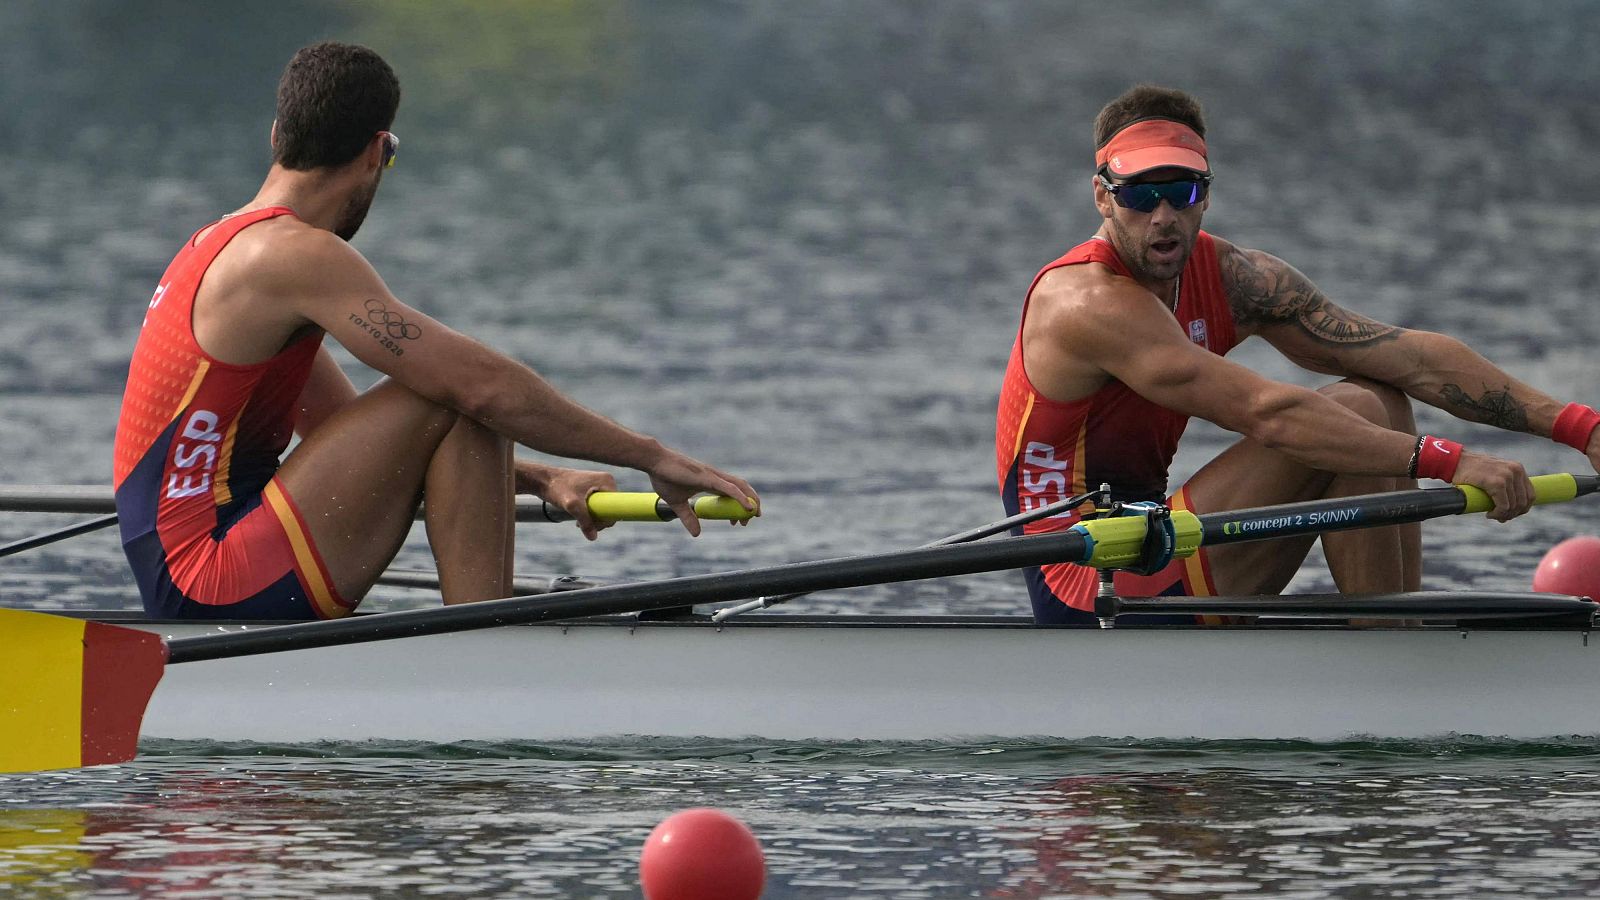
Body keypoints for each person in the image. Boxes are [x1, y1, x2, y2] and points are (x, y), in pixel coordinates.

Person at [112, 42, 758, 620]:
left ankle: (477, 646)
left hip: (190, 568)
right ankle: (484, 658)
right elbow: (475, 390)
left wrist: (543, 480)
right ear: (376, 151)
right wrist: (653, 457)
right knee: (456, 391)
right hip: (213, 579)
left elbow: (351, 434)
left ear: (278, 133)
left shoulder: (219, 247)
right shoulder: (295, 255)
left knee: (450, 395)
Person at [994, 83, 1600, 625]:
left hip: (1158, 541)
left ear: (1205, 193)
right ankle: (1389, 659)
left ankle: (1394, 638)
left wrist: (1580, 427)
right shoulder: (1085, 303)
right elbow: (1267, 414)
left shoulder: (1234, 277)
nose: (1164, 216)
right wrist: (1451, 461)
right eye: (1140, 195)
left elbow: (1409, 358)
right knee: (1352, 413)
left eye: (1182, 191)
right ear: (1102, 198)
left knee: (1374, 393)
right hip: (1084, 576)